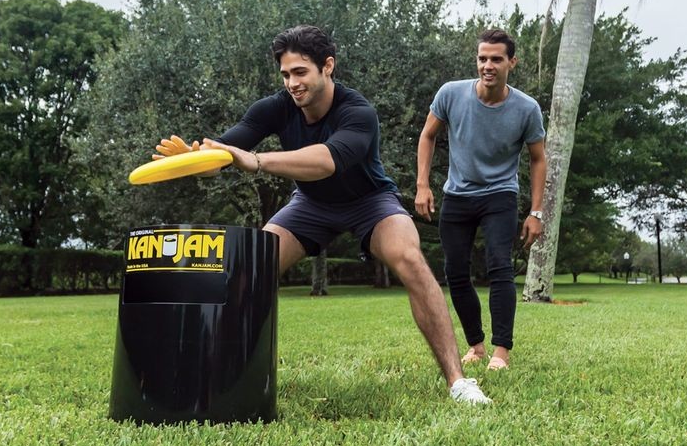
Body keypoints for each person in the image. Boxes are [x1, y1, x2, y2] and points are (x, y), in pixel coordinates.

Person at [155, 24, 491, 405]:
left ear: (327, 66)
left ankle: (458, 383)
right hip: (311, 205)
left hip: (370, 202)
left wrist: (258, 161)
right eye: (285, 74)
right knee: (248, 268)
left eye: (300, 72)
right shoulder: (272, 109)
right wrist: (196, 159)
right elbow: (226, 153)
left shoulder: (358, 111)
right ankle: (222, 374)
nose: (292, 83)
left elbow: (328, 161)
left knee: (410, 259)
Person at [415, 29, 546, 370]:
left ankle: (501, 351)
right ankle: (476, 346)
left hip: (500, 194)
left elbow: (538, 158)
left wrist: (536, 212)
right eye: (482, 58)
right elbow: (428, 135)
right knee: (455, 271)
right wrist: (422, 185)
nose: (488, 65)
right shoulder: (451, 94)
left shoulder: (526, 109)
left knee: (499, 265)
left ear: (511, 63)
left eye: (496, 59)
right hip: (457, 195)